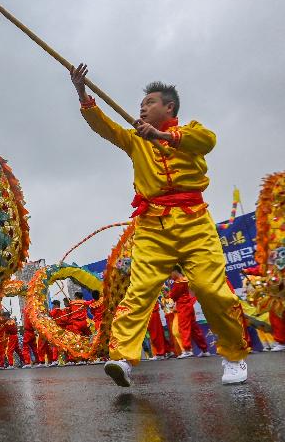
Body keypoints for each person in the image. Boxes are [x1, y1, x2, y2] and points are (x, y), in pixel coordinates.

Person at [69, 64, 249, 386]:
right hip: (153, 225)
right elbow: (105, 127)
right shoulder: (135, 140)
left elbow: (207, 141)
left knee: (211, 289)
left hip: (194, 221)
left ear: (169, 108)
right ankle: (122, 358)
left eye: (150, 101)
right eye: (142, 103)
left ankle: (234, 355)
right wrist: (82, 92)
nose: (143, 106)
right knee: (140, 291)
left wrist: (163, 136)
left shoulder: (192, 132)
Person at [169, 266, 210, 358]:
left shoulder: (179, 282)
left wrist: (170, 295)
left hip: (183, 306)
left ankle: (187, 350)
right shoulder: (186, 280)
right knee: (195, 329)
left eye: (171, 273)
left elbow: (173, 295)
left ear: (175, 271)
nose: (170, 276)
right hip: (189, 306)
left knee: (184, 328)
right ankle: (204, 349)